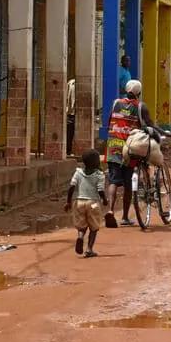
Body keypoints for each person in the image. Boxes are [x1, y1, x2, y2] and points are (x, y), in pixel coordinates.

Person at [106, 80, 155, 226]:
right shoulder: (140, 106)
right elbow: (150, 125)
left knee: (113, 181)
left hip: (113, 145)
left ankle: (110, 211)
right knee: (128, 184)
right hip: (130, 148)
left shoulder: (116, 103)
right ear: (139, 93)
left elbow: (109, 121)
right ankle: (125, 217)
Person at [65, 149, 108, 258]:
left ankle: (80, 236)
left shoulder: (78, 172)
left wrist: (68, 202)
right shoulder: (99, 175)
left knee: (82, 225)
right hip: (93, 203)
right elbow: (100, 190)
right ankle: (89, 249)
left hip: (79, 202)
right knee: (94, 227)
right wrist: (104, 199)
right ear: (97, 162)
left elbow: (71, 187)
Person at [66, 77, 76, 156]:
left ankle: (68, 150)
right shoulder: (72, 84)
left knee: (69, 133)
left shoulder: (70, 83)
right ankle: (68, 150)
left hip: (70, 113)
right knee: (70, 133)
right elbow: (71, 100)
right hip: (72, 113)